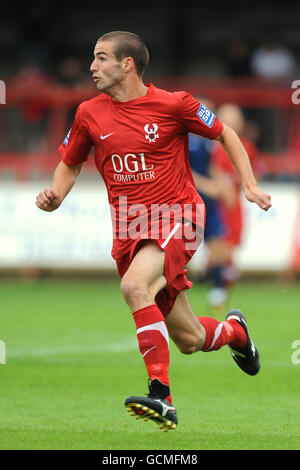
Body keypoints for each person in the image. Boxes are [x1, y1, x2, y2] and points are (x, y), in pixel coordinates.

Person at [36, 31, 271, 432]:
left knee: (134, 287)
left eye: (101, 58)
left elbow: (226, 134)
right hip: (130, 227)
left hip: (179, 215)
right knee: (189, 338)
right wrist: (57, 192)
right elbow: (71, 162)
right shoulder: (88, 113)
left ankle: (161, 396)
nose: (92, 66)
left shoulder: (175, 104)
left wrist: (247, 184)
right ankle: (235, 332)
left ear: (127, 64)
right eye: (94, 58)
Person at [189, 98, 236, 316]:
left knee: (217, 245)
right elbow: (183, 169)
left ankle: (217, 292)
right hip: (187, 200)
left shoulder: (211, 139)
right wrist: (208, 185)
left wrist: (223, 184)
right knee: (177, 249)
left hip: (210, 201)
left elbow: (215, 167)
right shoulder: (185, 138)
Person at [211, 103, 261, 292]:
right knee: (218, 244)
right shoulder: (212, 148)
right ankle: (218, 280)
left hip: (234, 205)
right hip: (214, 204)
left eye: (234, 122)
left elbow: (256, 170)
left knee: (231, 244)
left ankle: (221, 280)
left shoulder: (247, 147)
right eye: (226, 121)